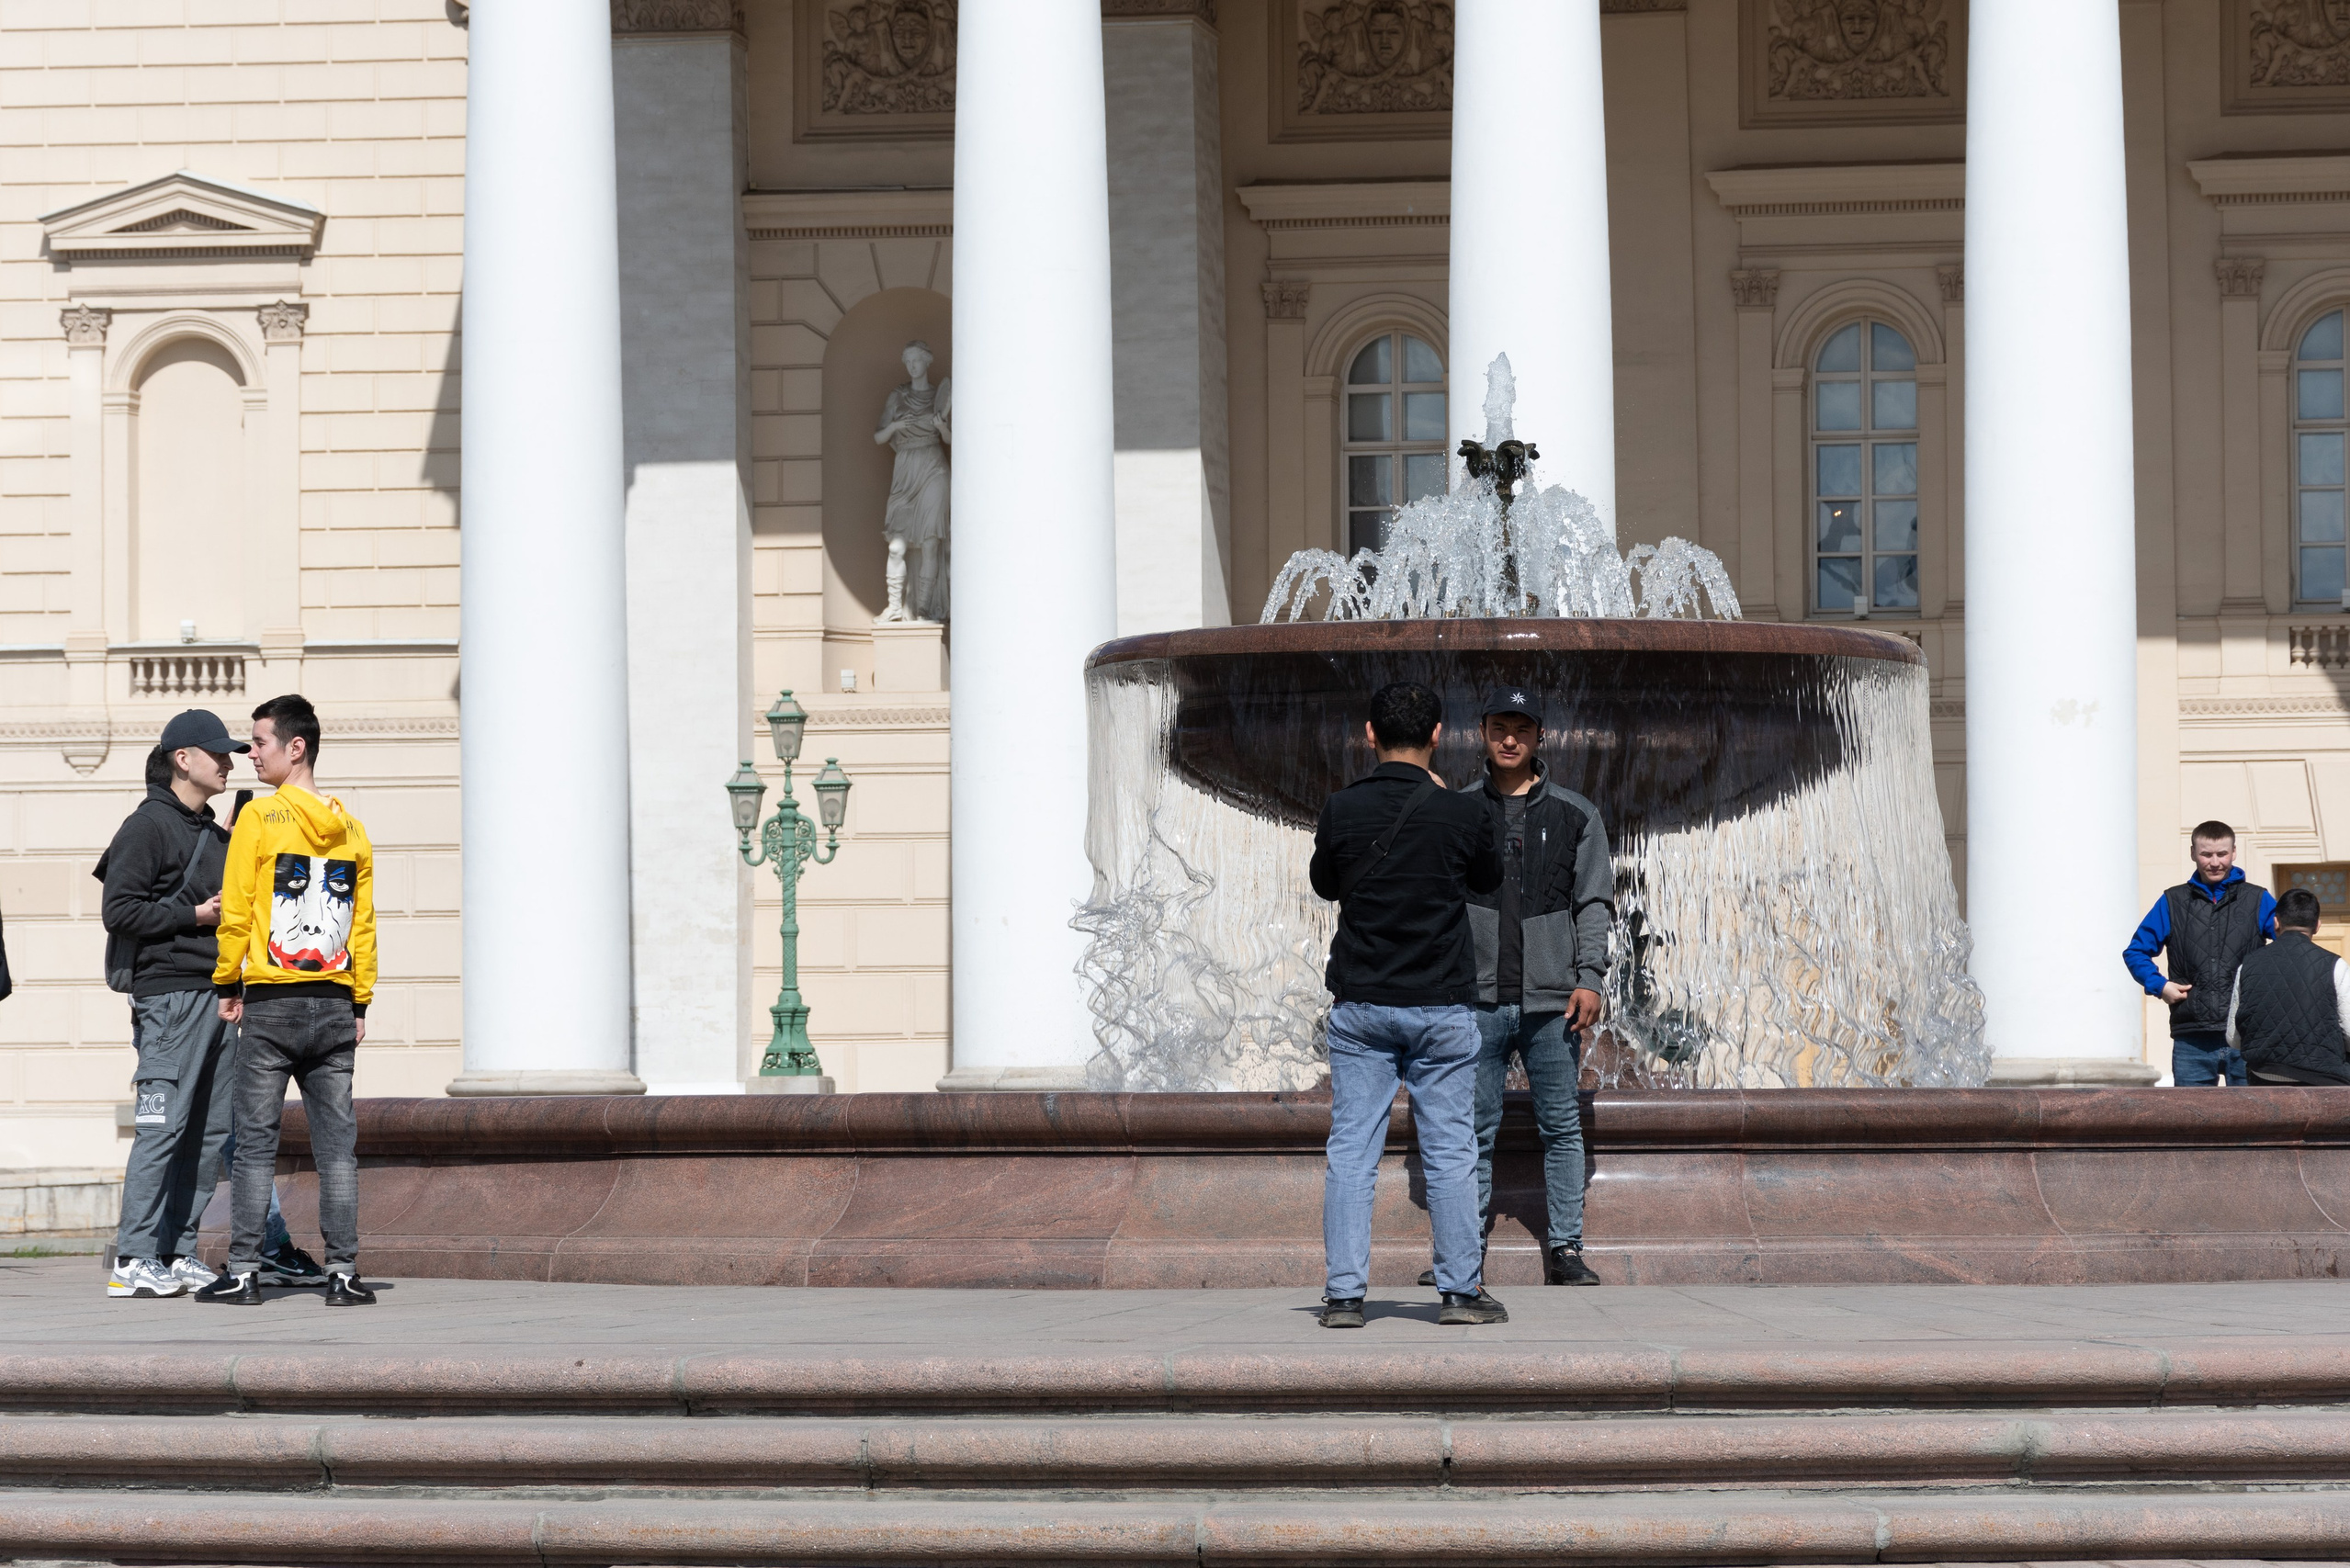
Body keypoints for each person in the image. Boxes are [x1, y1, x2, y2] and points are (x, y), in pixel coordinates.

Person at [1308, 681, 1505, 1329]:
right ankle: (1459, 1292)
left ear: (1369, 734)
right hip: (1442, 1002)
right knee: (1451, 1148)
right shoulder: (1462, 811)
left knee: (1351, 1151)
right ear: (1438, 735)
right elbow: (1488, 879)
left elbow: (1324, 883)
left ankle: (1343, 1296)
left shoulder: (1342, 807)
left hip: (1363, 1002)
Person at [198, 694, 378, 1307]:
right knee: (338, 1149)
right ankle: (344, 1273)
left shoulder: (258, 818)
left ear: (294, 747)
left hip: (272, 1003)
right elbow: (363, 924)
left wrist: (228, 982)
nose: (250, 753)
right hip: (333, 1003)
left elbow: (240, 906)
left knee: (253, 1145)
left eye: (260, 742)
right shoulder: (352, 830)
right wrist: (361, 1000)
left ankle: (245, 1271)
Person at [1459, 688, 1610, 1288]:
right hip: (1477, 999)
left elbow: (1593, 901)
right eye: (1500, 727)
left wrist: (1590, 979)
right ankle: (1461, 1248)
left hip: (1553, 1004)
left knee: (1561, 1126)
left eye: (1522, 728)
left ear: (1540, 735)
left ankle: (1566, 1249)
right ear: (1484, 732)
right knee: (1471, 1128)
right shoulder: (1461, 811)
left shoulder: (1576, 814)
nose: (1511, 739)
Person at [2124, 820, 2277, 1086]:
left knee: (2252, 1124)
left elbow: (2291, 947)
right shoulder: (2173, 901)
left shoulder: (2258, 899)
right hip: (2191, 1038)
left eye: (2222, 854)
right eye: (2206, 854)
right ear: (2193, 853)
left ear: (2234, 852)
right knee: (2191, 1123)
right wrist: (2160, 986)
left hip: (2246, 1034)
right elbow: (2136, 951)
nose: (2215, 862)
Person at [2227, 887, 2350, 1086]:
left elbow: (2233, 1037)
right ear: (2317, 926)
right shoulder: (2336, 965)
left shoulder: (2248, 964)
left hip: (2264, 1079)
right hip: (2323, 1081)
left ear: (2276, 922)